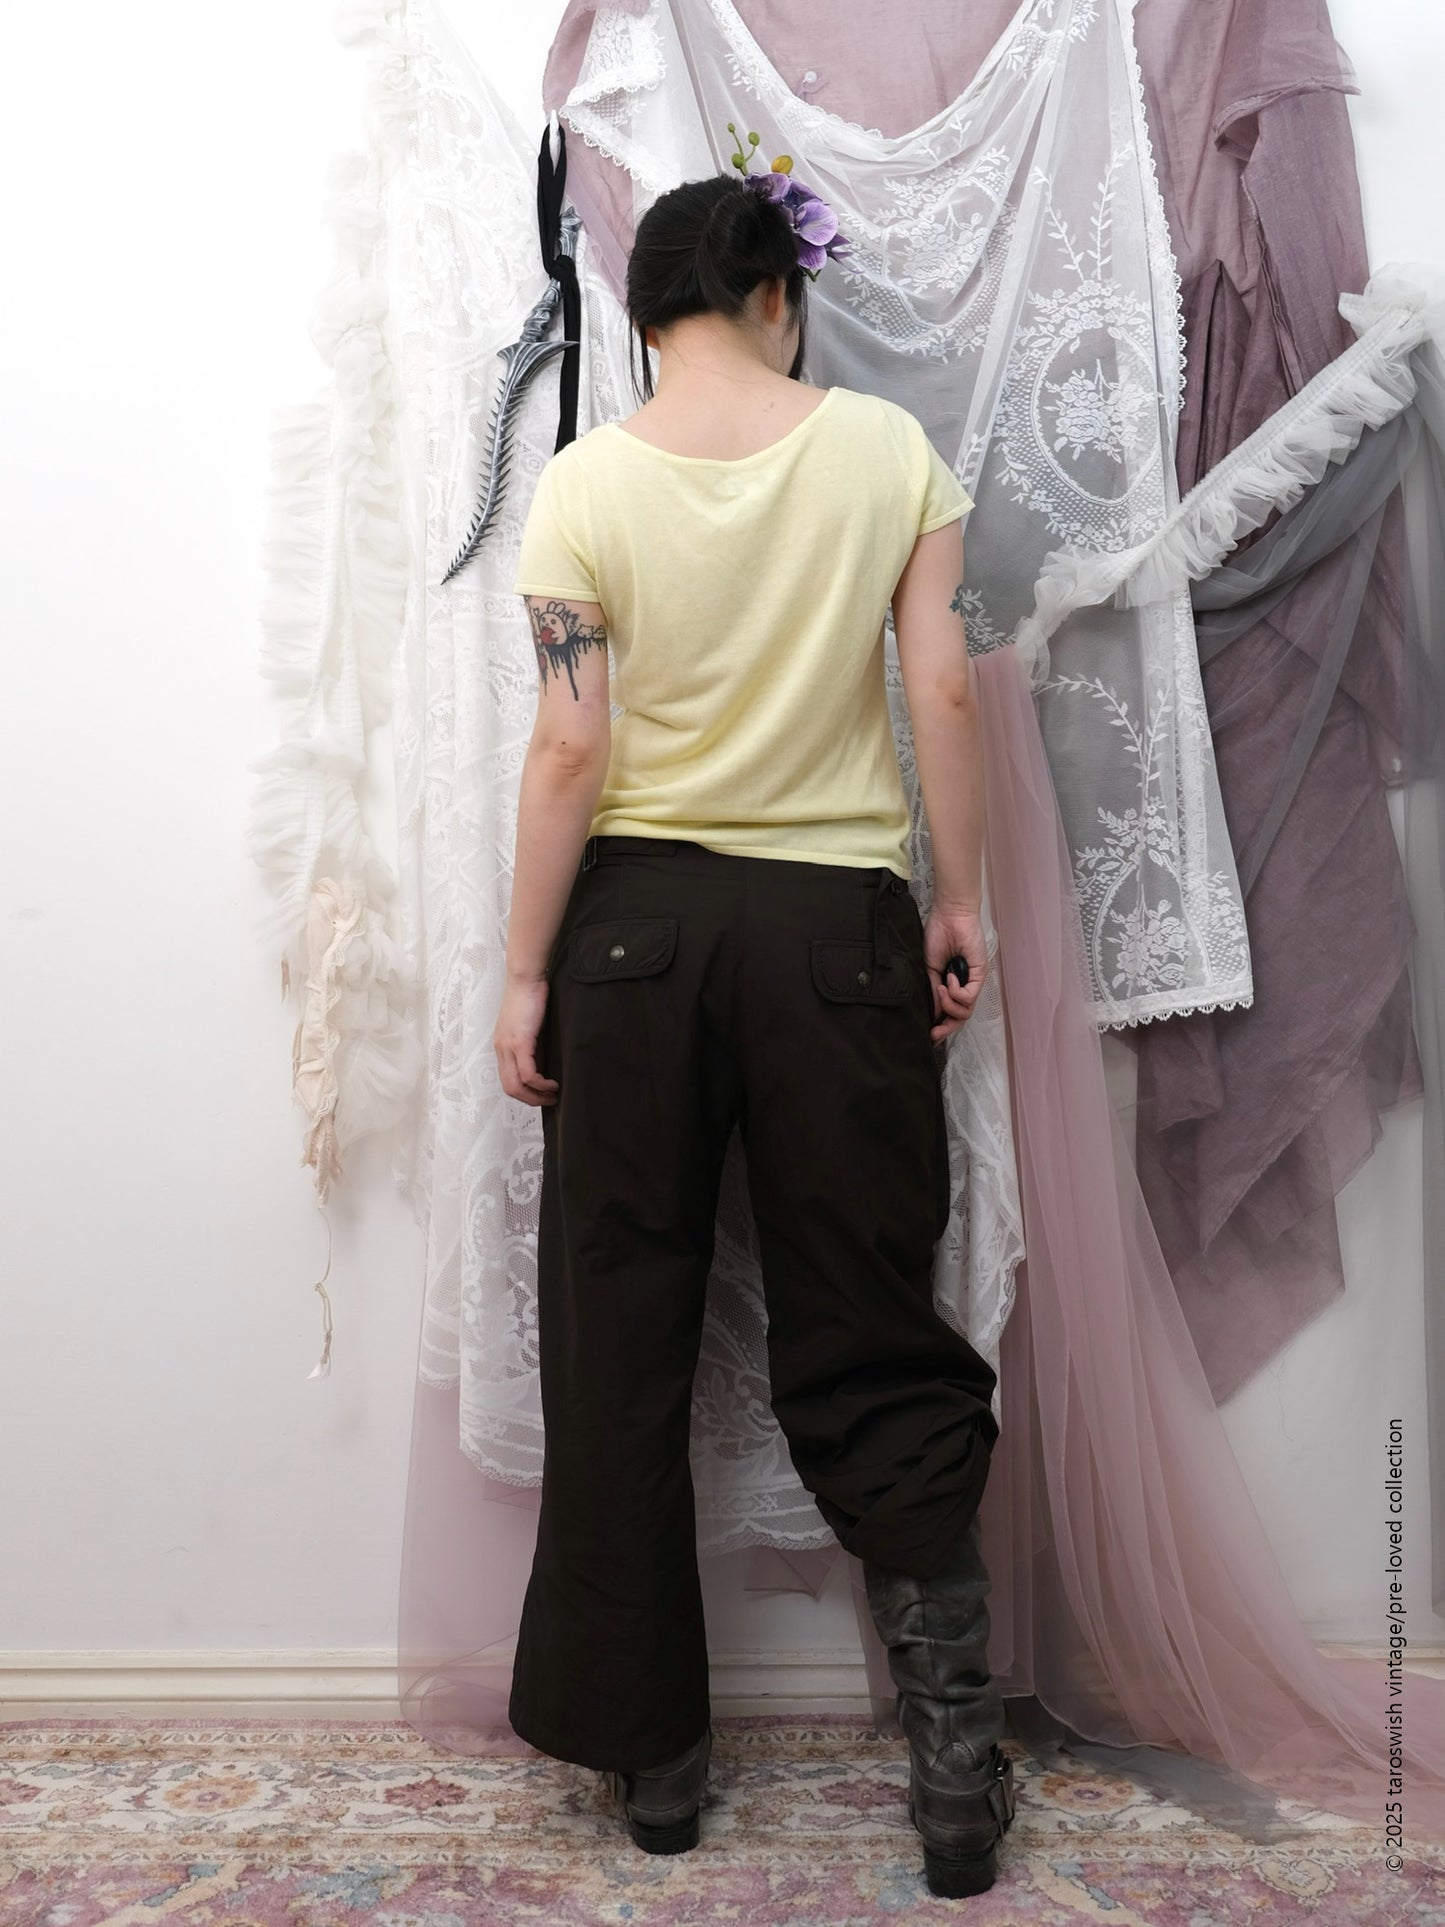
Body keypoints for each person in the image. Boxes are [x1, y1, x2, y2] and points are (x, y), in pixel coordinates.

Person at [494, 150, 1015, 1901]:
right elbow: (938, 685)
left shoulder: (583, 483)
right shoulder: (881, 451)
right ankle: (953, 1772)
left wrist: (523, 972)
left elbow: (569, 746)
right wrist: (957, 900)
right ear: (777, 296)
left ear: (646, 314)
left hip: (631, 944)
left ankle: (654, 1763)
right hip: (833, 941)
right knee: (870, 1326)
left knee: (619, 1332)